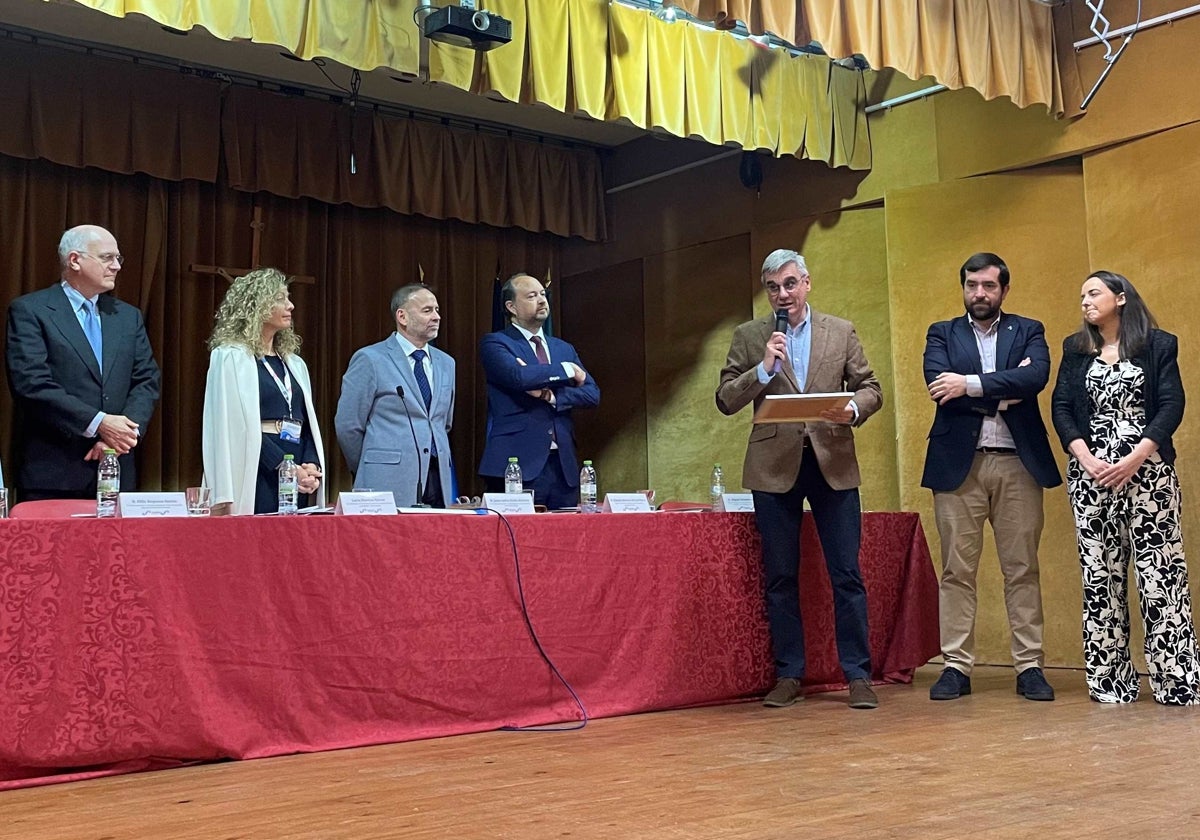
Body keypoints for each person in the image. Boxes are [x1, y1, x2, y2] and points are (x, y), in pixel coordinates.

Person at [715, 249, 883, 710]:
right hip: (774, 466)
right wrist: (763, 369)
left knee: (846, 574)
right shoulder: (750, 336)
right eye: (773, 287)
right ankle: (789, 674)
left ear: (806, 283)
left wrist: (853, 408)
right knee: (780, 577)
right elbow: (726, 399)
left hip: (833, 460)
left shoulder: (840, 330)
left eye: (790, 284)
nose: (782, 294)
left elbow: (871, 388)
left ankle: (858, 675)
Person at [1051, 271, 1200, 705]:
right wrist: (1088, 458)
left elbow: (1172, 403)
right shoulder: (1075, 350)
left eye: (1093, 293)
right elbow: (1061, 408)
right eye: (1081, 295)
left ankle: (1176, 682)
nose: (1084, 301)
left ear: (1120, 298)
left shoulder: (1158, 344)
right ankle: (1111, 683)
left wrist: (1135, 457)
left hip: (1148, 474)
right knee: (1101, 577)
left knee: (1160, 576)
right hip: (1091, 476)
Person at [921, 253, 1062, 702]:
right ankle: (956, 667)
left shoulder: (1029, 330)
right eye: (971, 285)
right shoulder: (941, 333)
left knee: (1022, 568)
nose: (979, 293)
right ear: (962, 287)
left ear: (1004, 289)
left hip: (1019, 463)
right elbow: (939, 387)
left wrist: (971, 385)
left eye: (988, 285)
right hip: (959, 467)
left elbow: (1036, 378)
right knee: (956, 571)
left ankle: (1029, 667)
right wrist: (1004, 388)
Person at [5, 224, 161, 501]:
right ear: (74, 260)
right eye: (107, 258)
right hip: (54, 471)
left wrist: (116, 439)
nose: (116, 266)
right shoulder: (31, 310)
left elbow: (146, 380)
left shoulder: (127, 316)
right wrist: (99, 423)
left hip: (116, 467)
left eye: (118, 258)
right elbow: (32, 383)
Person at [201, 268, 325, 515]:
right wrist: (283, 465)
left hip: (296, 464)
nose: (290, 305)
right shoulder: (230, 357)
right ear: (255, 306)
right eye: (280, 298)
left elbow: (307, 420)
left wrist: (310, 464)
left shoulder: (293, 363)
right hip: (256, 466)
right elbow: (235, 426)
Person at [478, 272, 600, 509]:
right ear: (511, 306)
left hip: (563, 467)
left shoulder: (563, 347)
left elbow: (592, 394)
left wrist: (550, 395)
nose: (542, 300)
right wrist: (567, 370)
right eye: (532, 296)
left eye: (543, 294)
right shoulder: (496, 343)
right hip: (516, 464)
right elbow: (519, 377)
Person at [335, 285, 456, 507]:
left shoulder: (447, 363)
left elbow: (442, 423)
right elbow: (348, 425)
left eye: (437, 310)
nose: (437, 317)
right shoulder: (370, 359)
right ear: (402, 316)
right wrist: (366, 463)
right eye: (427, 310)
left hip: (438, 478)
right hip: (386, 478)